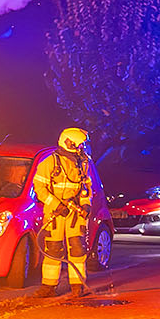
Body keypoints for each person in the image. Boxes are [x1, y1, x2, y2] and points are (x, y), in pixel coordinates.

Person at [33, 127, 95, 298]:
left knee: (77, 248)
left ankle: (77, 285)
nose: (82, 147)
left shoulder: (82, 163)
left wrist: (86, 205)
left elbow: (86, 188)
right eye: (80, 144)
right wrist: (56, 205)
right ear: (69, 143)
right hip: (55, 214)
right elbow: (39, 188)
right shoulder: (50, 162)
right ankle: (48, 286)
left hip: (75, 214)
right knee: (53, 248)